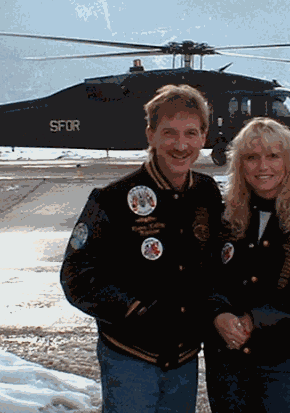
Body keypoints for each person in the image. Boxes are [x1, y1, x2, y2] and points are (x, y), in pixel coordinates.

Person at [60, 84, 222, 413]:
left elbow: (217, 263)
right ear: (150, 135)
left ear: (204, 137)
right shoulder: (114, 199)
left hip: (185, 358)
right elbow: (76, 275)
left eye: (191, 133)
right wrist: (136, 311)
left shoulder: (206, 192)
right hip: (130, 356)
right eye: (169, 133)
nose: (180, 145)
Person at [205, 117, 290, 413]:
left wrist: (258, 320)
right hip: (229, 364)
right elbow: (208, 280)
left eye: (273, 156)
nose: (262, 166)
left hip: (289, 367)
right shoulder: (226, 217)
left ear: (289, 161)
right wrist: (218, 315)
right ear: (240, 165)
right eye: (252, 157)